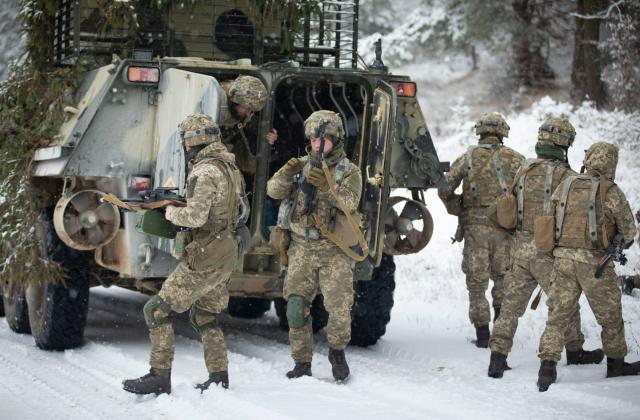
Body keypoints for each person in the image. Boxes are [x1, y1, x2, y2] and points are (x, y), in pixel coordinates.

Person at [123, 114, 245, 395]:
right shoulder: (229, 167)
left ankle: (159, 375)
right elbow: (236, 211)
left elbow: (195, 217)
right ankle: (218, 376)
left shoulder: (204, 172)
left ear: (193, 142)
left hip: (203, 254)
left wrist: (170, 211)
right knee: (204, 315)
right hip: (225, 251)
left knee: (156, 310)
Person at [488, 118, 603, 378]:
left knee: (510, 307)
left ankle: (497, 358)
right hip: (548, 254)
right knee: (565, 305)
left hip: (520, 252)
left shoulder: (524, 169)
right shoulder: (569, 177)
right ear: (563, 143)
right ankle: (573, 353)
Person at [266, 110, 362, 381]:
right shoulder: (302, 165)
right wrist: (286, 173)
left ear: (336, 140)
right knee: (295, 307)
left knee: (339, 309)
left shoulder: (349, 171)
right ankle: (302, 361)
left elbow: (350, 203)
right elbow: (273, 192)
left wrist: (328, 187)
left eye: (324, 141)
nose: (318, 145)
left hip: (335, 250)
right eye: (314, 140)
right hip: (301, 247)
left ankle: (337, 351)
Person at [536, 142, 639, 392]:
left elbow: (547, 219)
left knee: (557, 317)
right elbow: (629, 232)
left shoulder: (566, 184)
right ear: (611, 163)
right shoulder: (611, 191)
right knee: (610, 316)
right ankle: (616, 364)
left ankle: (547, 368)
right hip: (596, 264)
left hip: (563, 261)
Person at [438, 113, 525, 348]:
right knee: (503, 279)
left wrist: (457, 208)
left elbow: (444, 187)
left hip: (475, 228)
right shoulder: (517, 160)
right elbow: (528, 193)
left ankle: (483, 335)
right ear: (503, 132)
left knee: (477, 283)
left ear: (480, 132)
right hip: (505, 229)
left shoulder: (468, 157)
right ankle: (501, 331)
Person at [218, 75, 278, 175]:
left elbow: (252, 123)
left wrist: (268, 135)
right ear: (234, 101)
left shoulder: (242, 108)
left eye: (251, 110)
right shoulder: (216, 104)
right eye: (247, 108)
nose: (248, 113)